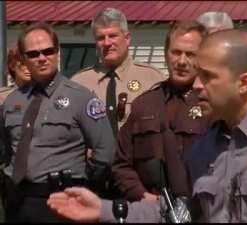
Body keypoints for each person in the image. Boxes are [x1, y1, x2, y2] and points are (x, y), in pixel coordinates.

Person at [47, 30, 247, 223]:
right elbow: (183, 214)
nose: (196, 85)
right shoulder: (206, 147)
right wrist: (106, 210)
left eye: (207, 76)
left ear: (243, 83)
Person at [1, 22, 115, 222]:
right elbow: (7, 150)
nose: (42, 58)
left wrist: (82, 181)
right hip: (18, 201)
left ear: (57, 52)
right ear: (24, 59)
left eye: (48, 51)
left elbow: (106, 151)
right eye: (33, 54)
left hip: (62, 201)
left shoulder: (81, 98)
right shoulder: (12, 101)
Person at [112, 20, 210, 203]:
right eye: (176, 52)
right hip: (151, 209)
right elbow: (121, 164)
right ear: (166, 53)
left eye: (190, 54)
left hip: (200, 210)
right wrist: (143, 197)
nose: (182, 61)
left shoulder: (213, 105)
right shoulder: (144, 104)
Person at [71, 8, 165, 136]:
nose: (107, 43)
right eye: (100, 38)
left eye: (113, 36)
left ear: (127, 39)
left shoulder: (152, 79)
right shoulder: (79, 84)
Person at [0, 44, 32, 222]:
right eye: (22, 63)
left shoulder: (49, 96)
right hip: (9, 175)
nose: (28, 67)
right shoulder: (3, 99)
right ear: (13, 66)